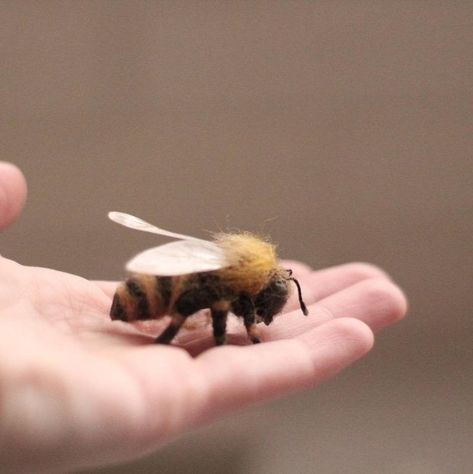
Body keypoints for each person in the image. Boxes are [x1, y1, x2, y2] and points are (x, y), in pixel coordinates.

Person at [0, 161, 407, 473]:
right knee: (207, 297)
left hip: (145, 294)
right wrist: (223, 337)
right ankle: (168, 334)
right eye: (265, 307)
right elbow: (218, 305)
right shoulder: (232, 285)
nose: (264, 314)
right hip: (143, 297)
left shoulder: (237, 277)